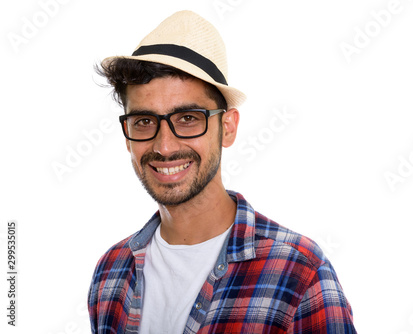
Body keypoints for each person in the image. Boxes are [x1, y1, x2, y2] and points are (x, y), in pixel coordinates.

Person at [87, 10, 356, 334]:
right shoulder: (111, 273)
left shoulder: (300, 272)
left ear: (227, 128)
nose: (165, 146)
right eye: (144, 122)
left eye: (188, 118)